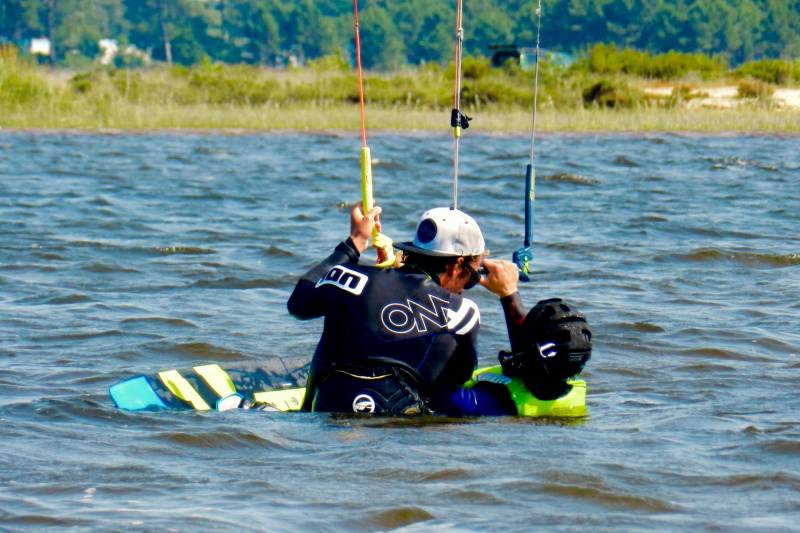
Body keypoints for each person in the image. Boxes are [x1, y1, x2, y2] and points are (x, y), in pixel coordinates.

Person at [287, 201, 523, 415]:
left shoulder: (344, 277)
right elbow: (460, 379)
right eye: (472, 277)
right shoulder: (462, 312)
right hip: (398, 425)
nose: (465, 288)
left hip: (328, 409)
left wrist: (355, 244)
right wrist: (508, 293)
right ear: (456, 265)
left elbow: (298, 304)